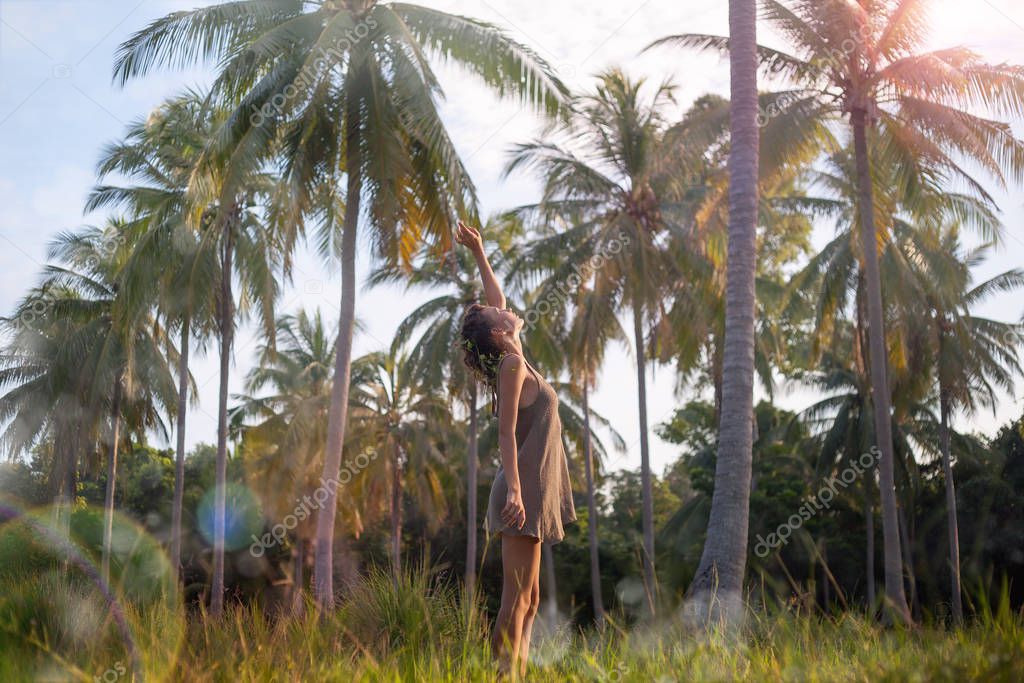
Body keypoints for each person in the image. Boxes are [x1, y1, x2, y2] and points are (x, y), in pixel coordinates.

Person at [454, 219, 577, 677]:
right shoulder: (509, 365)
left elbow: (497, 298)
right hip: (521, 490)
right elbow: (505, 434)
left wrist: (480, 251)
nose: (499, 307)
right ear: (497, 332)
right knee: (516, 598)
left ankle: (516, 674)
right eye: (492, 312)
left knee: (532, 600)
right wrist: (516, 493)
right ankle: (498, 675)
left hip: (534, 486)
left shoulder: (514, 356)